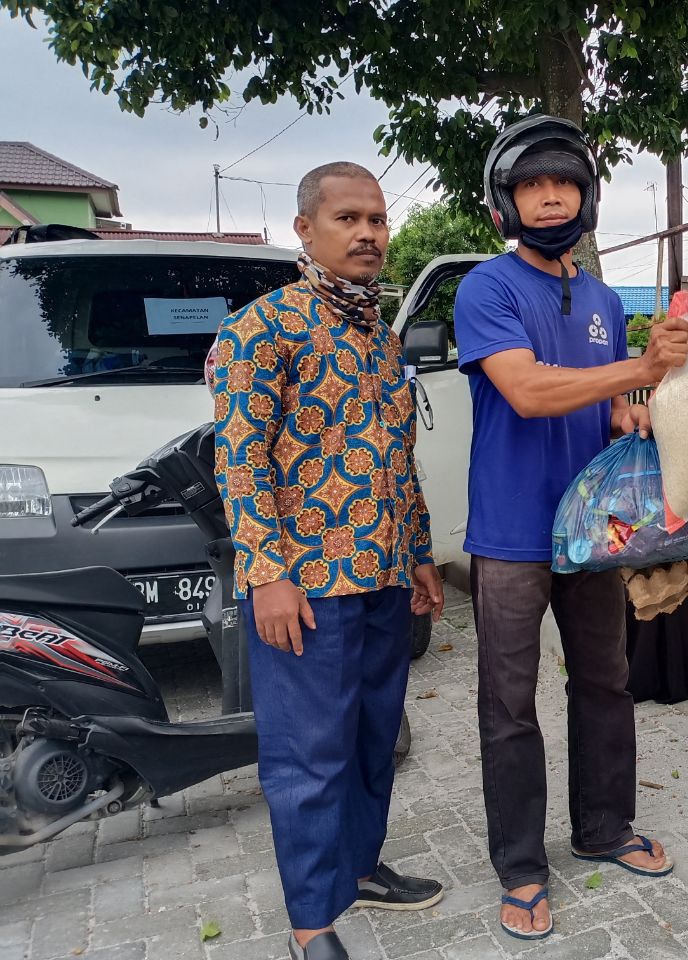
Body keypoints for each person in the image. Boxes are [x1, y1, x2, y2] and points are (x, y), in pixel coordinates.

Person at [453, 114, 687, 942]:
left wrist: (637, 410)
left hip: (594, 534)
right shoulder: (485, 288)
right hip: (513, 535)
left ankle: (605, 828)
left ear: (586, 198)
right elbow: (526, 390)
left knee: (605, 682)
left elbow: (607, 400)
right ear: (503, 204)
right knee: (510, 706)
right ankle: (520, 867)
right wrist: (641, 368)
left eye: (565, 184)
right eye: (531, 185)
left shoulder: (598, 297)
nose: (550, 198)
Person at [212, 162, 448, 960]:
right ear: (305, 230)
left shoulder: (379, 339)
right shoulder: (260, 330)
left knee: (373, 738)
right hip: (305, 588)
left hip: (382, 579)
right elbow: (239, 463)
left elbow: (396, 458)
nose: (369, 235)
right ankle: (312, 922)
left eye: (378, 220)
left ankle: (359, 864)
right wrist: (268, 574)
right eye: (349, 218)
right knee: (308, 756)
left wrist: (418, 554)